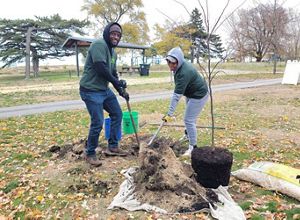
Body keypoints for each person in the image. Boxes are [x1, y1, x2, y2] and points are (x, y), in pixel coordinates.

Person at [79, 22, 129, 166]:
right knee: (97, 122)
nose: (116, 36)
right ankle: (90, 153)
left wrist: (121, 90)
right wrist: (116, 82)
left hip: (103, 90)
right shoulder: (99, 45)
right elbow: (100, 67)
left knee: (117, 114)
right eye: (113, 33)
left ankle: (112, 147)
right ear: (107, 33)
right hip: (90, 90)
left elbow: (112, 73)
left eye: (118, 35)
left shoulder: (113, 53)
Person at [163, 47, 209, 156]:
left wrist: (169, 113)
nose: (171, 65)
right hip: (191, 93)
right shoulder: (178, 68)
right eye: (169, 62)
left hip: (199, 95)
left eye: (173, 63)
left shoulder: (184, 72)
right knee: (189, 118)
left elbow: (176, 96)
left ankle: (193, 147)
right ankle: (188, 135)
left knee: (189, 120)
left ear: (179, 61)